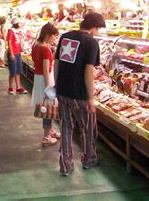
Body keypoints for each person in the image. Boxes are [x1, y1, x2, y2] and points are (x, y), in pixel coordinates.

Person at [53, 12, 106, 176]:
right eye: (98, 29)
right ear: (94, 27)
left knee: (66, 127)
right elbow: (89, 70)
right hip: (80, 94)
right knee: (88, 128)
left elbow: (57, 63)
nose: (98, 32)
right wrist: (90, 97)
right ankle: (89, 159)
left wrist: (57, 85)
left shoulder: (65, 36)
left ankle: (65, 165)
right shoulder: (91, 42)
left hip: (63, 90)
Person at [31, 23, 61, 147]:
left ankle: (51, 131)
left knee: (49, 107)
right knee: (47, 107)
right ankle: (46, 137)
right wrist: (49, 89)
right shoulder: (45, 49)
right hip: (45, 80)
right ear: (48, 35)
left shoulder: (36, 46)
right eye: (54, 36)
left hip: (38, 79)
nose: (55, 38)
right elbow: (46, 70)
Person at [7, 18, 27, 95]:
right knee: (13, 71)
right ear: (16, 24)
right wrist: (11, 53)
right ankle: (10, 87)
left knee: (18, 71)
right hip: (13, 53)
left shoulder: (18, 31)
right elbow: (9, 42)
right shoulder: (11, 31)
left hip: (18, 53)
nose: (20, 24)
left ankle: (18, 87)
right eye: (19, 23)